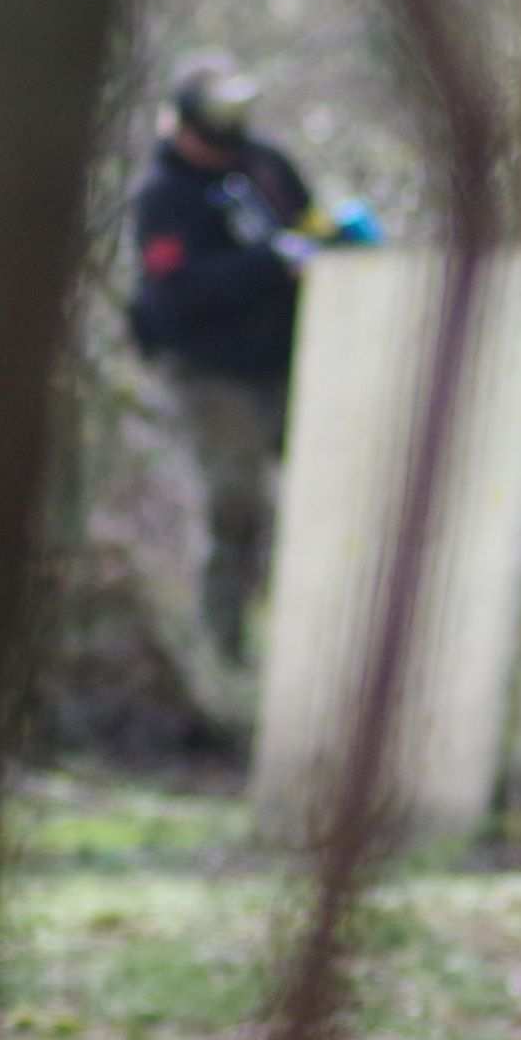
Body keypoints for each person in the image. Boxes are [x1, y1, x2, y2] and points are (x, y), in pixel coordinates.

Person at [125, 55, 332, 671]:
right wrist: (270, 264)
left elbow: (311, 224)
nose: (226, 138)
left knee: (324, 492)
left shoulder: (267, 166)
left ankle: (311, 640)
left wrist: (333, 239)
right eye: (214, 125)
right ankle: (226, 645)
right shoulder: (164, 195)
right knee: (237, 503)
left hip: (287, 361)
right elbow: (175, 291)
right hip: (209, 371)